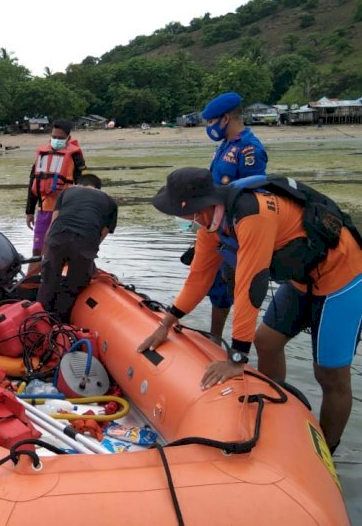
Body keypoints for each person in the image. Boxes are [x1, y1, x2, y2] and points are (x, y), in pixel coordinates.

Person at [140, 167, 362, 453]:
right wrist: (165, 324)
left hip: (342, 275)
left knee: (330, 375)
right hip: (302, 278)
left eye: (178, 211)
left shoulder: (252, 214)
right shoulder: (210, 224)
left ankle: (327, 452)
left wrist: (236, 357)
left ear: (198, 206)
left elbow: (250, 287)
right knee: (267, 341)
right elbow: (198, 278)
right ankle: (276, 413)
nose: (179, 219)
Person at [200, 91, 268, 338]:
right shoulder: (224, 146)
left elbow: (253, 193)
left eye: (211, 121)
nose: (209, 127)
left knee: (237, 286)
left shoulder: (249, 149)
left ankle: (238, 345)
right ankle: (215, 338)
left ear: (226, 118)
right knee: (217, 288)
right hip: (218, 227)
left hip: (238, 232)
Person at [36, 174, 118, 320]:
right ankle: (62, 323)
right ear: (99, 189)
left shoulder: (67, 192)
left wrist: (46, 253)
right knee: (74, 286)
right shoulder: (111, 203)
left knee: (48, 282)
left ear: (79, 184)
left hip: (58, 238)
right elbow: (100, 237)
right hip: (85, 243)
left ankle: (38, 320)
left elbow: (52, 225)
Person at [25, 119, 86, 261]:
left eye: (60, 138)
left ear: (68, 138)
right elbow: (33, 183)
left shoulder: (75, 155)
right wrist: (29, 212)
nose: (56, 140)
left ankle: (62, 278)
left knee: (62, 249)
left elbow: (83, 184)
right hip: (44, 210)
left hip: (66, 210)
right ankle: (32, 279)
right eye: (54, 137)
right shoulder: (42, 154)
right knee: (38, 249)